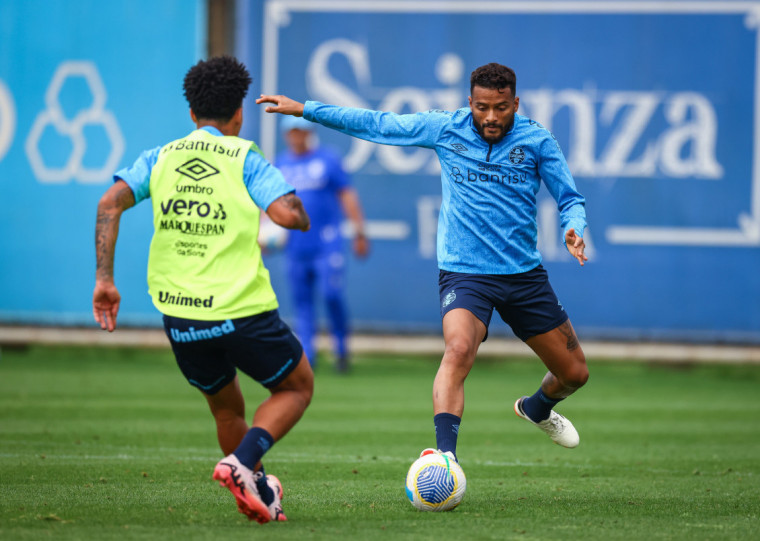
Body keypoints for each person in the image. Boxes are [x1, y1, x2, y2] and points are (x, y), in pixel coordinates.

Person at [256, 62, 589, 463]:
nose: (490, 117)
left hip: (523, 275)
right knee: (459, 349)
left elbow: (570, 198)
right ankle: (443, 458)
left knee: (574, 374)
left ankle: (537, 408)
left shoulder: (538, 140)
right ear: (470, 102)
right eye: (482, 107)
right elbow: (378, 124)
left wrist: (574, 226)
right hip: (465, 273)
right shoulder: (446, 127)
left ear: (515, 103)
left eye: (501, 107)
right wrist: (307, 109)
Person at [92, 56, 314, 524]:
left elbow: (109, 201)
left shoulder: (161, 157)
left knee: (226, 407)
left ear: (191, 114)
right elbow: (287, 216)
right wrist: (297, 211)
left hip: (179, 314)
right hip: (239, 308)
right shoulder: (243, 157)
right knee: (296, 387)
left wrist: (105, 280)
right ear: (239, 114)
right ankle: (240, 463)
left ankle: (254, 488)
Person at [274, 115, 369, 372]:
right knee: (302, 302)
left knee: (332, 294)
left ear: (309, 132)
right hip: (295, 246)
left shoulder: (328, 159)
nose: (297, 135)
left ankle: (341, 350)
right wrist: (265, 234)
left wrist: (360, 231)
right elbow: (270, 205)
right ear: (286, 135)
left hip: (327, 243)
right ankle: (309, 356)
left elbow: (347, 194)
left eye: (301, 131)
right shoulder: (281, 165)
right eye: (292, 131)